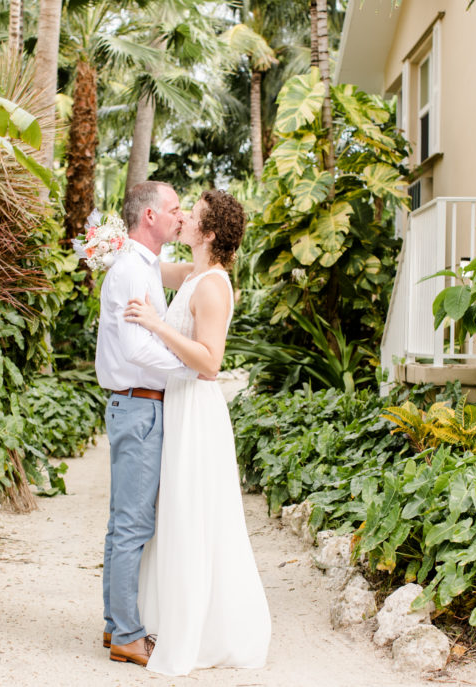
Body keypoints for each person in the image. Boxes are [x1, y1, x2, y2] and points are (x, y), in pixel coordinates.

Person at [124, 189, 272, 676]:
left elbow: (210, 363)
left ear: (208, 234)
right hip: (180, 405)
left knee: (195, 515)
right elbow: (147, 266)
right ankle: (167, 618)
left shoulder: (212, 286)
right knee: (178, 514)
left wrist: (154, 324)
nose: (183, 218)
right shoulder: (194, 274)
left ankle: (206, 632)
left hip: (197, 407)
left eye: (193, 216)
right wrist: (112, 244)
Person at [95, 180, 195, 667]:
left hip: (134, 404)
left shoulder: (145, 267)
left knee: (123, 524)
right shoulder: (133, 271)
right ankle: (129, 636)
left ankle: (117, 625)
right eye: (174, 208)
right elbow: (137, 348)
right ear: (149, 217)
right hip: (138, 405)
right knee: (134, 524)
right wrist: (189, 371)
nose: (181, 215)